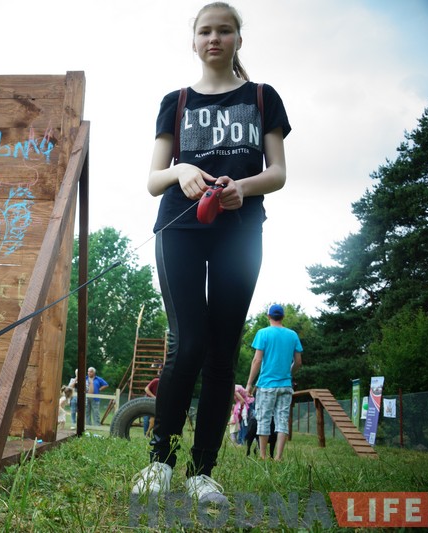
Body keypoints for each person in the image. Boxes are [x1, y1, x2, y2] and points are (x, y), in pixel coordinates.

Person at [133, 2, 291, 505]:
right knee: (188, 343)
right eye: (205, 31)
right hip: (180, 226)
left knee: (223, 350)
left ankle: (202, 472)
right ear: (194, 41)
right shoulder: (175, 101)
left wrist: (242, 187)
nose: (214, 38)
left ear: (239, 39)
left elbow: (278, 172)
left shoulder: (262, 97)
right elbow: (154, 179)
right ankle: (159, 462)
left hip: (240, 231)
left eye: (225, 30)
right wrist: (181, 171)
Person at [246, 304, 302, 460]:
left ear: (268, 316)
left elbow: (257, 360)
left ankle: (263, 456)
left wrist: (249, 383)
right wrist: (288, 374)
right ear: (283, 317)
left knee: (263, 419)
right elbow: (298, 362)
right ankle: (278, 457)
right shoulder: (293, 335)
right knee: (282, 420)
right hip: (285, 386)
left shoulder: (263, 333)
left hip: (266, 386)